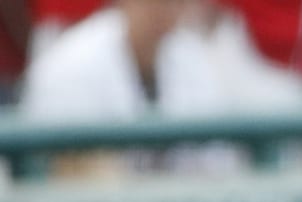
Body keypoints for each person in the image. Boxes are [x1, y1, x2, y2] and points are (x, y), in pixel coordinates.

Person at [19, 0, 242, 177]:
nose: (166, 10)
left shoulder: (192, 58)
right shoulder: (69, 66)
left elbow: (218, 169)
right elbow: (69, 177)